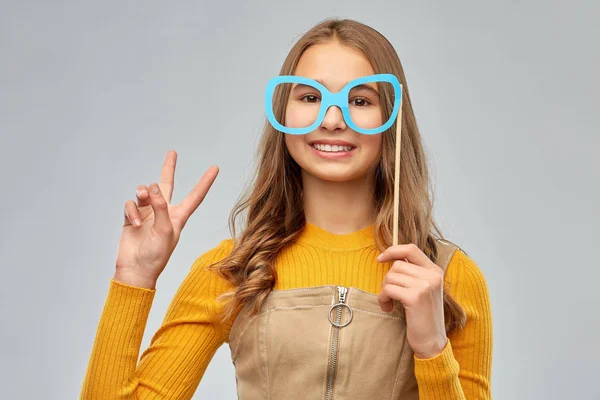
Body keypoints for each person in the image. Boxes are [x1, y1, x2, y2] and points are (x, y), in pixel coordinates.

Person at [80, 18, 493, 400]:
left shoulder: (448, 278)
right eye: (311, 97)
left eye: (361, 100)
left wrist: (431, 348)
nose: (333, 118)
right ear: (283, 114)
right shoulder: (233, 271)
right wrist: (134, 279)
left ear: (392, 118)